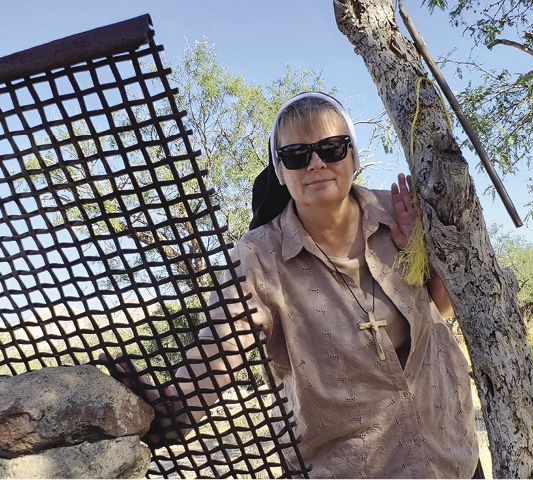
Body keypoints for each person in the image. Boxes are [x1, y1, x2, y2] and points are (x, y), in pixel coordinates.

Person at [103, 92, 480, 478]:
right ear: (280, 171)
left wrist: (430, 255)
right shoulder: (260, 258)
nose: (316, 163)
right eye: (297, 155)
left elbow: (442, 307)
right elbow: (220, 346)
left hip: (449, 453)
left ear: (353, 157)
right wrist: (174, 409)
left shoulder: (400, 213)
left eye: (331, 148)